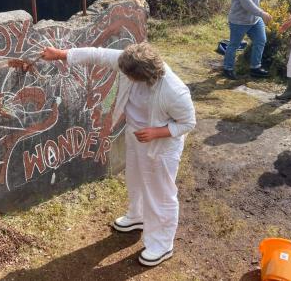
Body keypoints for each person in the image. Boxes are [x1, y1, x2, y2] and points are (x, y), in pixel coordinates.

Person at [40, 42, 196, 266]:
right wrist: (61, 55)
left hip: (161, 146)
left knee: (160, 193)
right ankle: (137, 216)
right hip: (136, 134)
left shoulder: (174, 90)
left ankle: (162, 244)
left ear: (141, 74)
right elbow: (99, 55)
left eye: (125, 73)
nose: (120, 72)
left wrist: (156, 132)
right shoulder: (129, 60)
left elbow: (188, 123)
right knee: (135, 179)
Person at [222, 0, 279, 80]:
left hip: (254, 19)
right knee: (234, 45)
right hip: (239, 20)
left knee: (260, 40)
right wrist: (262, 13)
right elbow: (245, 2)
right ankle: (228, 68)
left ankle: (255, 68)